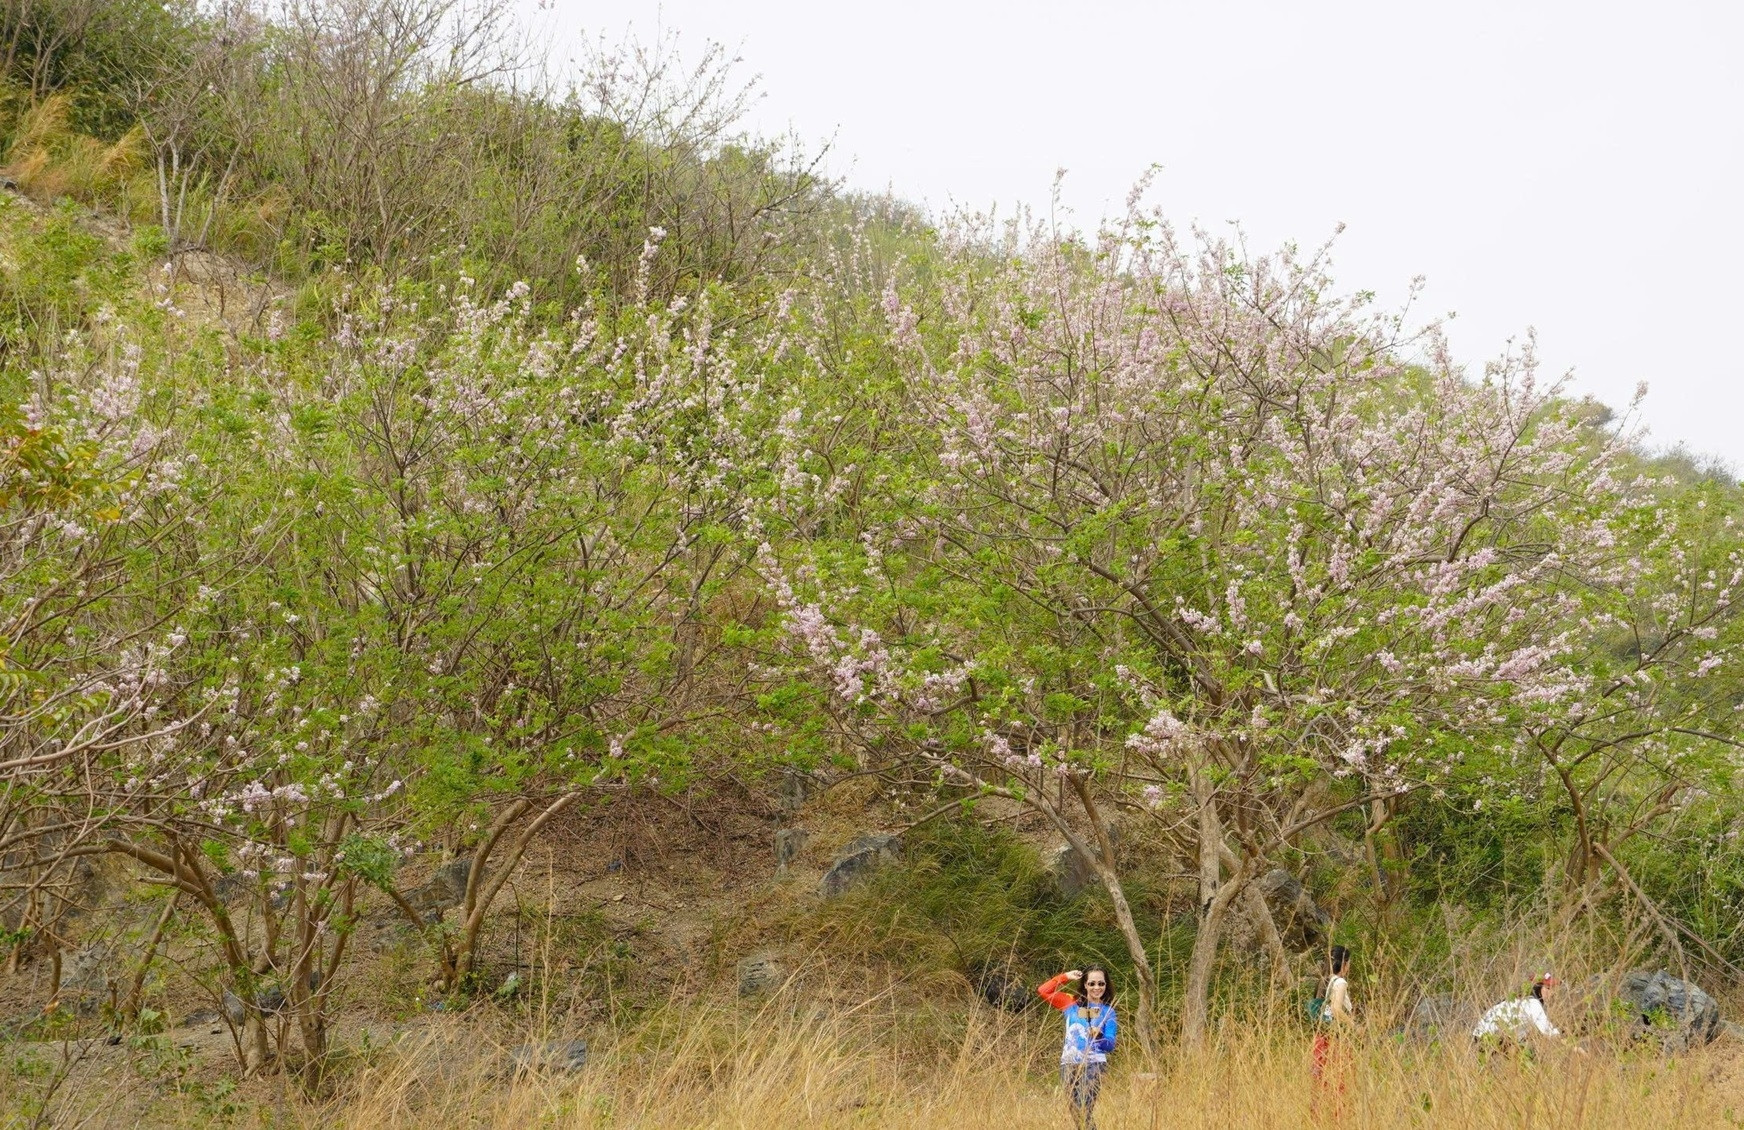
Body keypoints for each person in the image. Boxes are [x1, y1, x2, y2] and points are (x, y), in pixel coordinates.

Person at [1038, 966, 1117, 1130]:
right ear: (1085, 985)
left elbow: (1110, 1044)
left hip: (1093, 1064)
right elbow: (1043, 990)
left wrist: (1100, 1037)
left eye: (1101, 983)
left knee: (1083, 1109)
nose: (1097, 987)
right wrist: (1065, 976)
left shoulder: (1108, 1011)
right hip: (1069, 1063)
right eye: (1092, 983)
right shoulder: (1070, 1003)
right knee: (1075, 1111)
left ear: (1106, 985)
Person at [1472, 973, 1567, 1055]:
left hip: (1482, 1036)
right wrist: (1569, 1036)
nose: (1552, 992)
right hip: (1488, 1038)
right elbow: (1548, 1033)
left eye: (1553, 988)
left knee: (1524, 1054)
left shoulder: (1520, 1000)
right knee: (1529, 1058)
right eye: (1548, 988)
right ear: (1537, 988)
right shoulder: (1533, 1004)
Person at [1310, 945, 1355, 1118]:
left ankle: (1317, 1119)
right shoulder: (1340, 982)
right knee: (1338, 1084)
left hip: (1322, 1039)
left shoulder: (1325, 982)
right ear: (1344, 963)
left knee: (1321, 1083)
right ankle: (1337, 1120)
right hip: (1335, 1042)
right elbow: (1336, 1009)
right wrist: (1353, 1025)